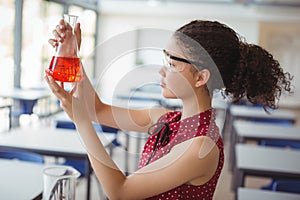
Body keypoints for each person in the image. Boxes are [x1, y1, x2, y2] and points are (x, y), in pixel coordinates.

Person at [45, 19, 292, 199]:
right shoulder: (167, 119)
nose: (161, 71)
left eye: (172, 64)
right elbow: (96, 110)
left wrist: (80, 122)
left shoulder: (200, 147)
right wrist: (73, 56)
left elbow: (120, 192)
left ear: (200, 78)